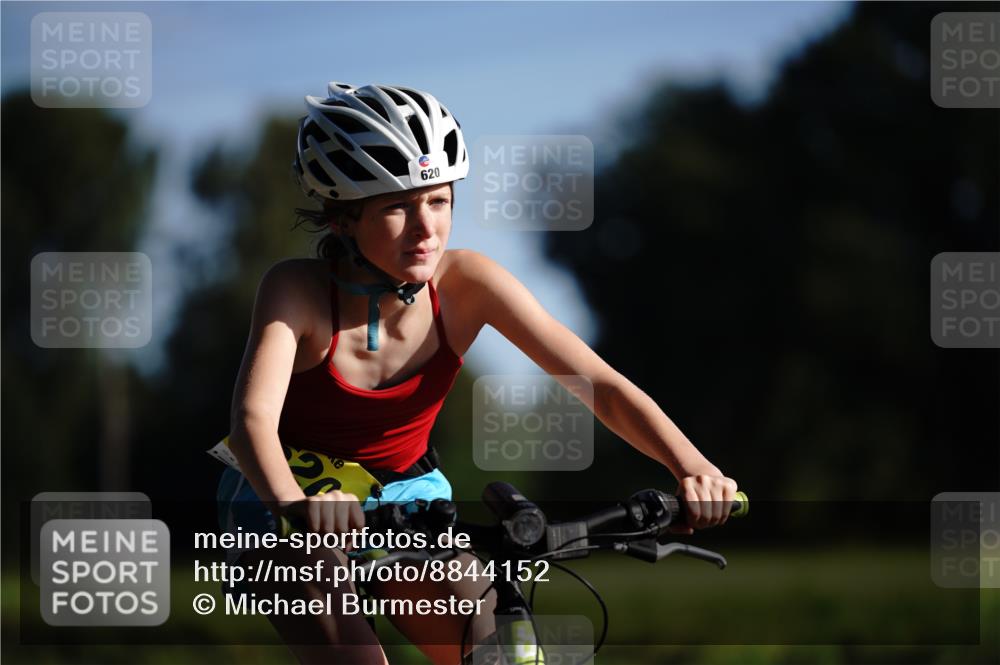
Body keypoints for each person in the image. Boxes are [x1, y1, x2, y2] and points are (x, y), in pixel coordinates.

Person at [217, 81, 738, 665]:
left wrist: (691, 466)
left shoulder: (468, 285)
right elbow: (251, 420)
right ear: (342, 218)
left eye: (439, 201)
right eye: (397, 206)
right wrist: (295, 506)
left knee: (489, 638)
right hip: (284, 496)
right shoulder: (296, 290)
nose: (426, 229)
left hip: (407, 496)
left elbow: (601, 386)